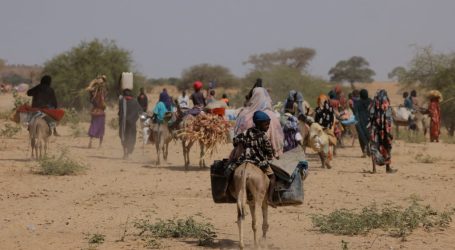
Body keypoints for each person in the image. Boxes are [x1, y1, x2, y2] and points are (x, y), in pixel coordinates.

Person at [232, 110, 277, 207]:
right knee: (273, 177)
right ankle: (269, 198)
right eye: (266, 124)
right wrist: (269, 156)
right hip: (259, 162)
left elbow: (235, 140)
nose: (268, 126)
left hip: (243, 160)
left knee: (229, 172)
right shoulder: (264, 137)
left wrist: (240, 143)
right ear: (259, 124)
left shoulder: (246, 132)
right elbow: (269, 152)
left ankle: (229, 192)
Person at [235, 87, 284, 156]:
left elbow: (237, 138)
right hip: (267, 157)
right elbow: (278, 139)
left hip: (243, 156)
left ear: (253, 97)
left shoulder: (244, 114)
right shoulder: (272, 115)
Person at [368, 89, 396, 173]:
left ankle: (374, 169)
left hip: (375, 129)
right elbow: (390, 119)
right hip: (385, 130)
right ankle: (388, 168)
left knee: (374, 147)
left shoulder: (373, 104)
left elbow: (370, 115)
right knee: (387, 147)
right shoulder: (387, 104)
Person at [118, 89, 142, 159]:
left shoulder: (122, 102)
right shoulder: (135, 102)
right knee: (131, 138)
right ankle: (128, 153)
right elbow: (140, 111)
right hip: (132, 124)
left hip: (123, 124)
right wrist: (135, 118)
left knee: (123, 138)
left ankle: (125, 153)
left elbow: (119, 113)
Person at [87, 75, 107, 148]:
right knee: (100, 127)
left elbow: (89, 89)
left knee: (93, 126)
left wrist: (93, 84)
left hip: (95, 112)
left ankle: (91, 142)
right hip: (100, 112)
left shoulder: (94, 93)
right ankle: (100, 145)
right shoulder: (101, 92)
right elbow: (104, 104)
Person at [353, 89, 372, 157]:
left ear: (360, 95)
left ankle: (364, 151)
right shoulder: (371, 101)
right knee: (370, 135)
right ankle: (371, 149)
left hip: (361, 121)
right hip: (370, 121)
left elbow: (355, 112)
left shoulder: (357, 103)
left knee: (361, 136)